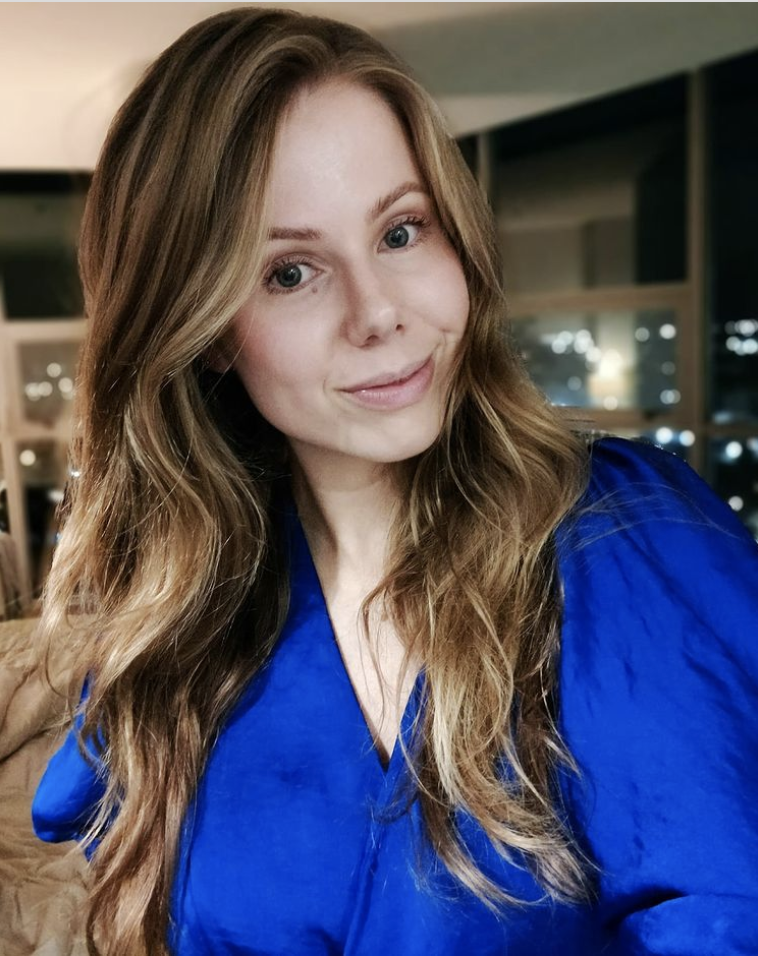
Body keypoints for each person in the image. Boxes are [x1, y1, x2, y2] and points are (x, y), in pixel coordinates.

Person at [31, 7, 758, 956]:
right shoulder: (194, 627)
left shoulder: (624, 537)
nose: (378, 313)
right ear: (204, 331)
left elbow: (725, 910)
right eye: (290, 273)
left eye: (402, 231)